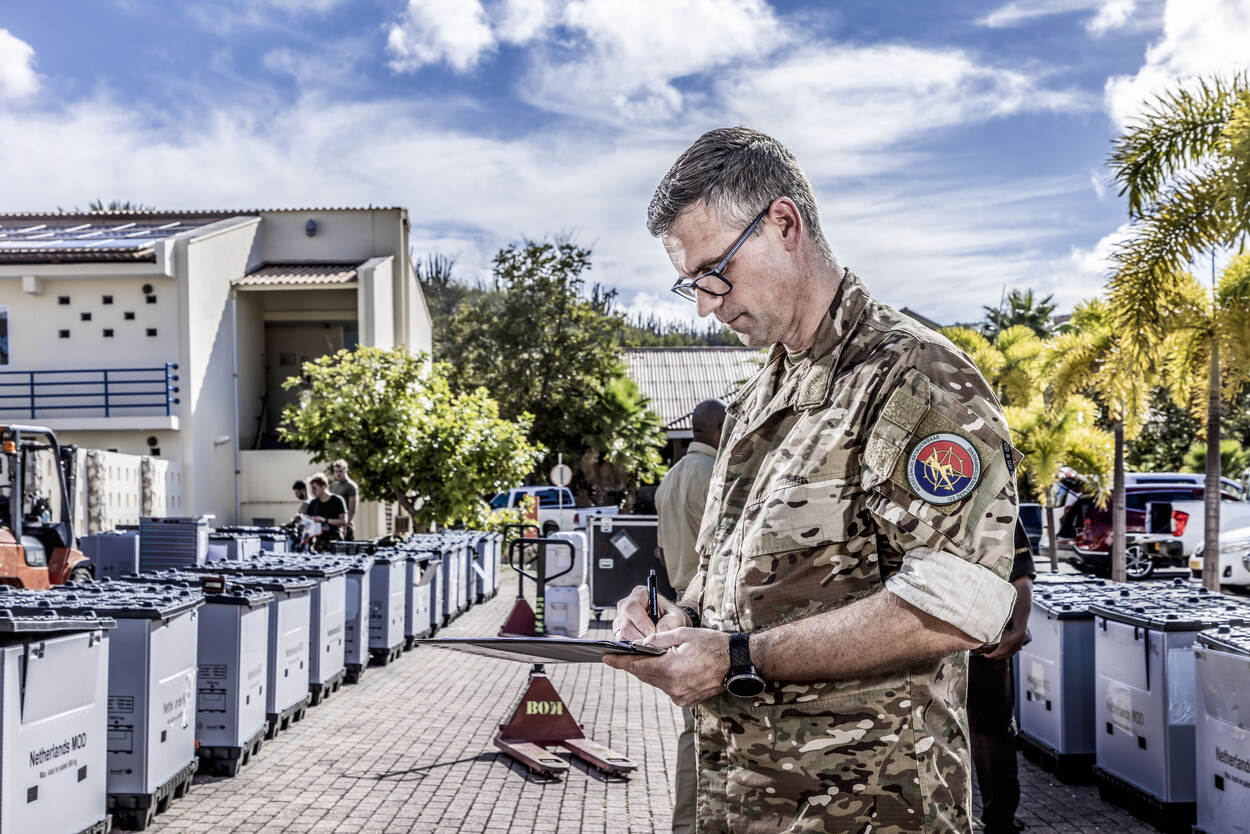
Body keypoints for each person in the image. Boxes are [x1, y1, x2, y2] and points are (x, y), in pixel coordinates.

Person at [605, 127, 1021, 834]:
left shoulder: (913, 376)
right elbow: (735, 578)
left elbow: (962, 604)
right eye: (691, 283)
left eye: (715, 271)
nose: (705, 303)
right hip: (743, 799)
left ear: (785, 224)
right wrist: (680, 620)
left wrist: (739, 658)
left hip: (868, 809)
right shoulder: (758, 396)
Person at [655, 398, 726, 834]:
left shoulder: (671, 477)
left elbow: (661, 551)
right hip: (714, 608)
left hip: (683, 603)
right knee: (714, 731)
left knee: (695, 729)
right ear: (720, 430)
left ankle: (686, 824)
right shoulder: (718, 474)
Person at [969, 520, 1035, 834]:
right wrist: (1018, 627)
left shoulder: (993, 500)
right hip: (968, 641)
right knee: (989, 734)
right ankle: (997, 821)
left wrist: (1018, 627)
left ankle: (999, 820)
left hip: (983, 644)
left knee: (991, 734)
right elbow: (1020, 574)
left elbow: (1018, 571)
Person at [305, 474, 347, 551]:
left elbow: (343, 521)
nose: (312, 491)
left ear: (324, 486)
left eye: (314, 488)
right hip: (319, 543)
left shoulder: (337, 500)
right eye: (312, 488)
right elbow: (307, 520)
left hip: (334, 541)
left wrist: (325, 520)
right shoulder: (313, 503)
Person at [330, 459, 359, 540]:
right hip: (334, 524)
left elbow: (352, 510)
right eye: (336, 471)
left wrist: (346, 526)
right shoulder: (333, 486)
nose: (338, 473)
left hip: (346, 525)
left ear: (346, 470)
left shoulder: (351, 486)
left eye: (340, 471)